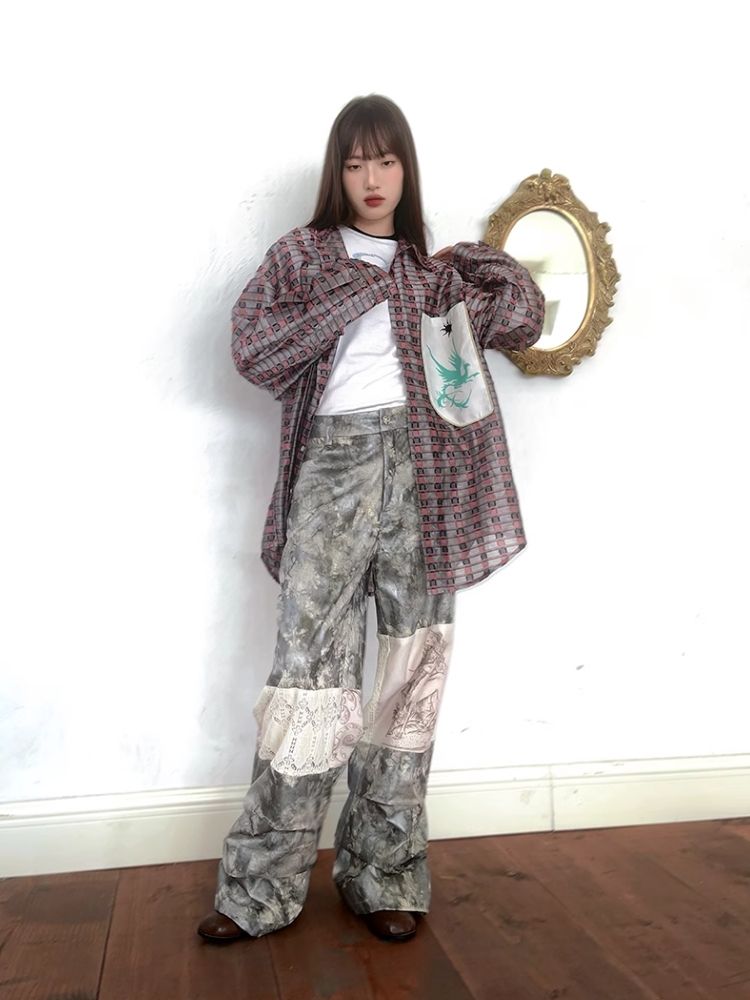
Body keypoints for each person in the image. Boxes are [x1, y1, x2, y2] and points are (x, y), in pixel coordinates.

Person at [198, 94, 544, 945]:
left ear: (406, 169)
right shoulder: (305, 256)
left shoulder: (434, 274)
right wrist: (351, 297)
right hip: (335, 467)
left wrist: (466, 260)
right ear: (337, 173)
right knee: (308, 678)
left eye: (385, 160)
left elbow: (523, 316)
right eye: (355, 163)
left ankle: (385, 874)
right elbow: (253, 350)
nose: (371, 178)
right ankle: (260, 889)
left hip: (427, 474)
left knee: (410, 673)